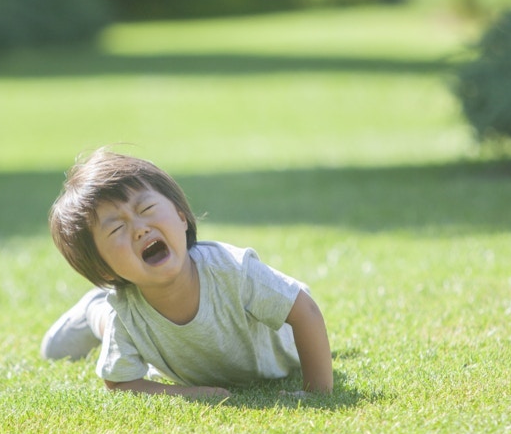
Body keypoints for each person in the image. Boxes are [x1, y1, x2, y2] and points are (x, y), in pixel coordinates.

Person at [42, 148, 333, 399]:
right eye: (116, 228)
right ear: (104, 268)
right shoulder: (125, 312)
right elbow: (119, 382)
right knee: (57, 347)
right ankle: (95, 310)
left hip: (254, 345)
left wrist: (316, 392)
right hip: (124, 302)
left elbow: (304, 309)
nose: (139, 228)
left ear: (181, 217)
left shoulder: (231, 270)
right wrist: (186, 393)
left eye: (147, 207)